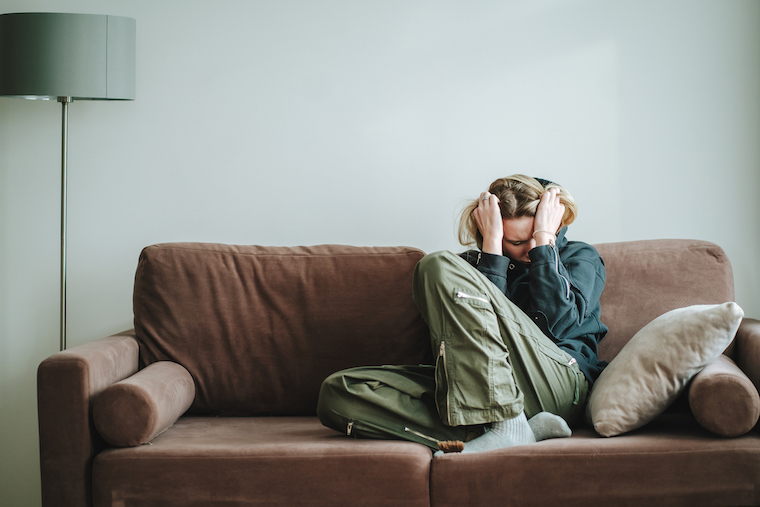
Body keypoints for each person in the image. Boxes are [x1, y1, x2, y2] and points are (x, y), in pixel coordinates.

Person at [317, 175, 608, 454]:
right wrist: (492, 250)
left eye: (536, 237)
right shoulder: (465, 272)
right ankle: (515, 428)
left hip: (556, 384)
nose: (531, 251)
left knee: (437, 264)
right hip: (479, 388)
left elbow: (558, 326)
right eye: (518, 243)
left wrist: (546, 243)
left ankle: (505, 424)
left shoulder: (580, 258)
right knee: (339, 393)